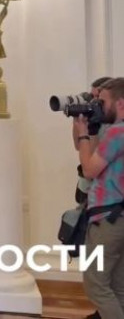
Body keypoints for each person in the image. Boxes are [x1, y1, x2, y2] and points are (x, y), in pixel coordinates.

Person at [75, 77, 124, 319]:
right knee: (118, 286)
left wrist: (83, 134)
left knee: (96, 285)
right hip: (120, 217)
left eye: (102, 102)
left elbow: (89, 170)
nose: (99, 106)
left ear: (120, 103)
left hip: (108, 217)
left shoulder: (117, 132)